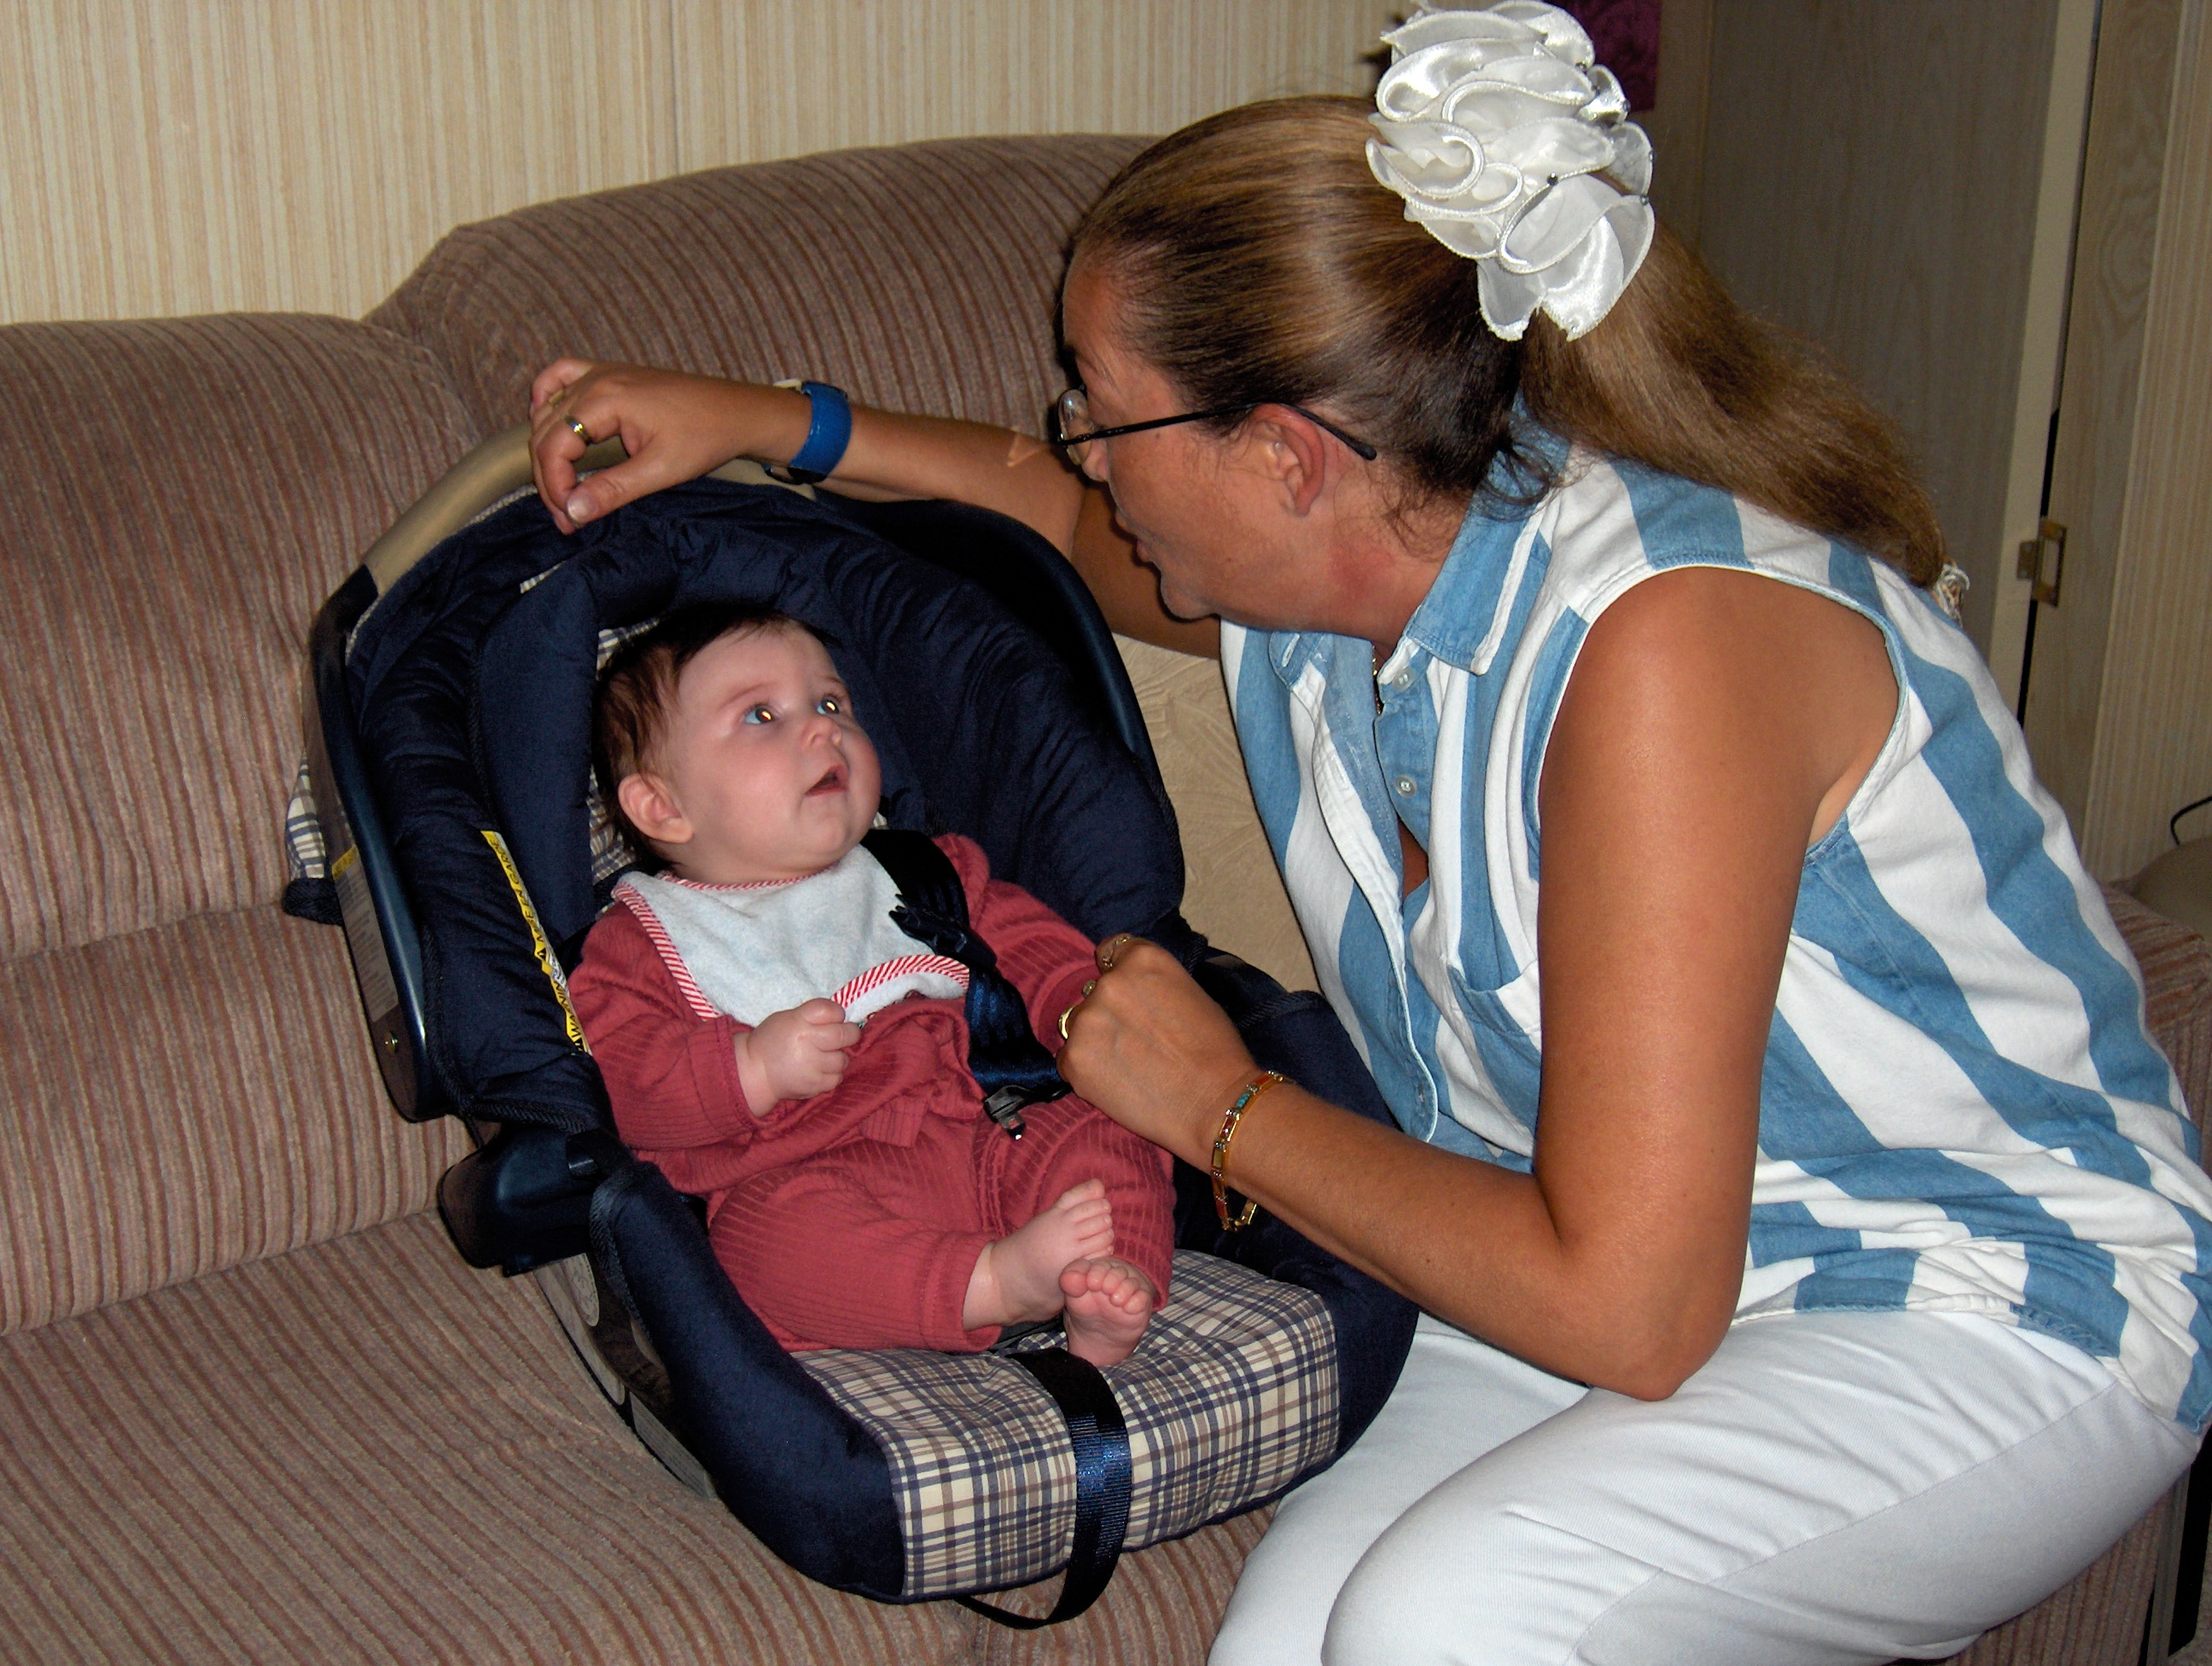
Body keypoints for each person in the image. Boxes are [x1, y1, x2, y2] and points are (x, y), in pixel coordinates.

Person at [527, 7, 2212, 1660]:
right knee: (1291, 1639)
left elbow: (1632, 1310)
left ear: (1282, 458)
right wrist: (760, 424)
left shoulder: (1663, 649)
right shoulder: (1312, 600)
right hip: (1553, 1241)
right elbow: (1036, 510)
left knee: (1446, 1619)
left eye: (1098, 407)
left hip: (1975, 1292)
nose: (1079, 450)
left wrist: (1217, 1104)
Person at [567, 602, 1173, 1367]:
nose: (823, 731)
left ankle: (1112, 1283)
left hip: (999, 1123)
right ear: (663, 806)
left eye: (831, 704)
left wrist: (1090, 1016)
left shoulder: (925, 872)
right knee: (760, 1243)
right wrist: (748, 1068)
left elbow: (1040, 954)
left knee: (1109, 1125)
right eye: (761, 715)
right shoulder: (649, 941)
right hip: (818, 1173)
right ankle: (988, 1286)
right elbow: (619, 1078)